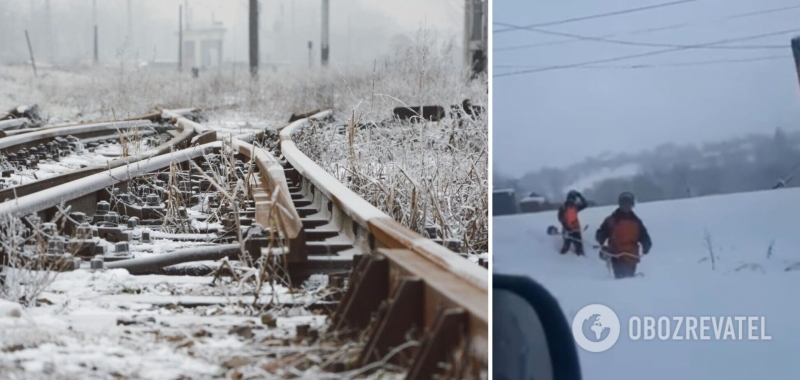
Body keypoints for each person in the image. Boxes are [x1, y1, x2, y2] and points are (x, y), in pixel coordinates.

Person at [595, 192, 652, 279]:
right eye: (624, 204)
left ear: (632, 205)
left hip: (631, 255)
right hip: (616, 254)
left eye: (628, 204)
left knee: (629, 278)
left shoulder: (636, 221)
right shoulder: (611, 220)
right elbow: (601, 231)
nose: (626, 206)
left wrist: (646, 244)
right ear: (620, 204)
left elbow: (644, 235)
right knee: (620, 279)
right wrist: (601, 237)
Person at [557, 190, 587, 255]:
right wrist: (566, 227)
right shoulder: (564, 207)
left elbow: (585, 204)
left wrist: (580, 196)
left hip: (575, 229)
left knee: (578, 248)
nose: (572, 201)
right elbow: (560, 218)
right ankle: (560, 261)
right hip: (568, 230)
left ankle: (581, 261)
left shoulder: (574, 206)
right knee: (566, 247)